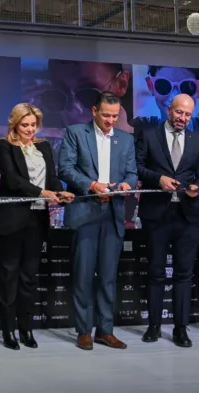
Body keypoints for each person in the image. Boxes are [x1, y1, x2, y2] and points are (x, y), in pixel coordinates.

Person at [0, 103, 74, 350]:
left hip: (37, 220)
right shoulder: (3, 145)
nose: (29, 129)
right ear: (14, 124)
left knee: (29, 277)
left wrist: (59, 192)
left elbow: (52, 178)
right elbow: (12, 180)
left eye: (33, 125)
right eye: (24, 125)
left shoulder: (44, 147)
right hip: (10, 219)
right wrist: (41, 192)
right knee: (8, 277)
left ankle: (26, 329)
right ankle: (8, 331)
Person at [59, 91, 137, 351]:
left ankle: (105, 330)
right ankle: (84, 331)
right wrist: (91, 185)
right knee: (83, 275)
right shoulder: (75, 133)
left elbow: (132, 172)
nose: (110, 121)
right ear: (94, 111)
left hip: (113, 213)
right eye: (106, 115)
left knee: (108, 277)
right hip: (85, 212)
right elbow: (66, 169)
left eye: (115, 116)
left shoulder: (126, 139)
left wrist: (127, 184)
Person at [135, 93, 199, 348]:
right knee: (155, 272)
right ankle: (154, 325)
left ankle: (181, 328)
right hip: (156, 215)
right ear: (169, 109)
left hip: (187, 215)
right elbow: (137, 166)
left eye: (188, 114)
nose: (183, 118)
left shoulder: (198, 140)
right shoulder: (148, 135)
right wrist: (158, 179)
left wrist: (198, 186)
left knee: (184, 274)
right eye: (179, 112)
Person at [134, 65, 199, 143]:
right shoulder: (140, 129)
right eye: (163, 85)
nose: (175, 97)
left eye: (186, 87)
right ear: (150, 85)